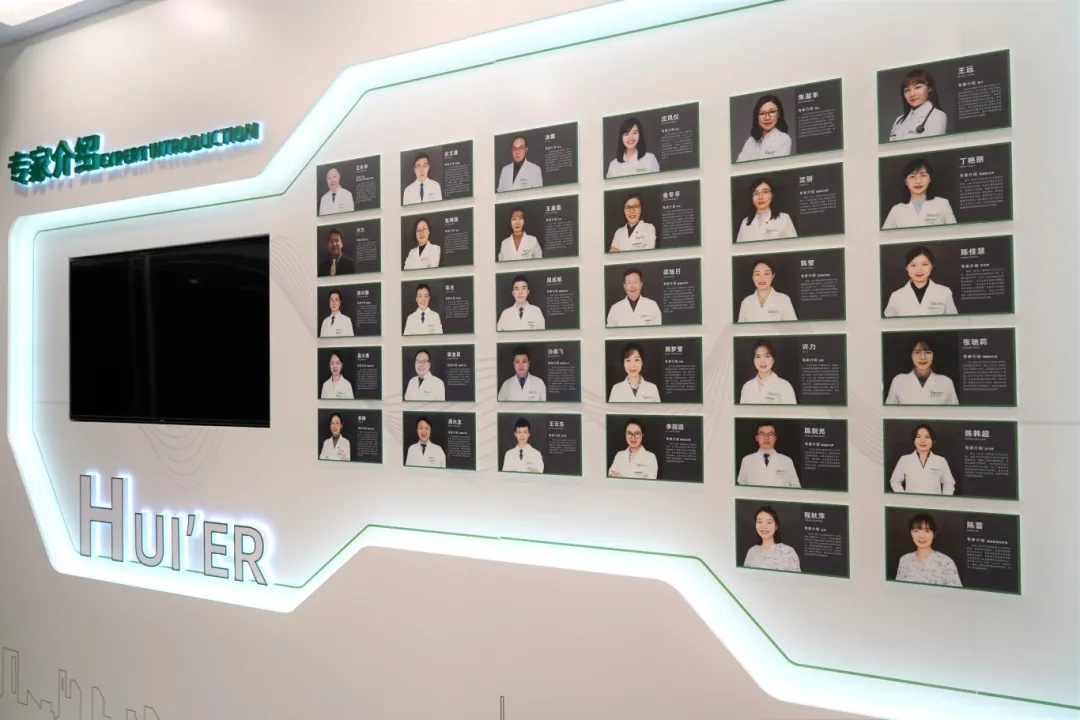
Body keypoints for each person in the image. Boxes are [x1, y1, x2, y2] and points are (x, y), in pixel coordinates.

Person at [882, 158, 957, 229]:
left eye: (923, 175)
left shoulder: (943, 204)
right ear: (905, 181)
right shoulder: (896, 210)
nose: (918, 181)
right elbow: (885, 236)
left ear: (930, 179)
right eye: (912, 176)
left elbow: (954, 233)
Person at [883, 245, 957, 317]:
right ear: (907, 268)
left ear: (932, 266)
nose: (919, 270)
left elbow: (953, 322)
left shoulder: (945, 292)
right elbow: (889, 323)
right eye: (913, 265)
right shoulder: (896, 296)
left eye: (924, 264)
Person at [895, 513, 962, 587]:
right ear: (910, 533)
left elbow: (955, 592)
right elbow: (898, 589)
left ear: (934, 534)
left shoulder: (946, 562)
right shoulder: (904, 560)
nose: (921, 536)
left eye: (927, 531)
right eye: (916, 531)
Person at [885, 338, 958, 405]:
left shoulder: (946, 382)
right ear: (910, 354)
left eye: (928, 352)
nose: (923, 357)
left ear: (934, 354)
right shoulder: (898, 381)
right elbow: (889, 412)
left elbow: (954, 413)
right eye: (917, 352)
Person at [890, 424, 956, 495]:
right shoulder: (904, 459)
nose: (922, 440)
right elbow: (895, 481)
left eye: (927, 437)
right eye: (918, 437)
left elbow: (949, 483)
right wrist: (904, 497)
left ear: (933, 441)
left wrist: (944, 498)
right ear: (914, 440)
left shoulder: (941, 461)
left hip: (934, 501)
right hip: (912, 501)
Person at [888, 69, 948, 142]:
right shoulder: (899, 120)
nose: (912, 94)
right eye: (907, 90)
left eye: (917, 87)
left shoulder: (937, 116)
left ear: (929, 88)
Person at [736, 423, 800, 487]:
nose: (766, 438)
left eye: (770, 434)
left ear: (775, 438)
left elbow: (795, 487)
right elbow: (741, 486)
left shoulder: (787, 461)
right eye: (762, 434)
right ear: (757, 438)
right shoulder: (747, 460)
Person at [736, 178, 797, 243]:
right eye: (756, 193)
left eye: (765, 192)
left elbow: (794, 245)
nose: (760, 197)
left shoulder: (784, 218)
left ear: (772, 195)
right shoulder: (745, 222)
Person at [742, 505, 801, 572]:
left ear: (776, 526)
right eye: (760, 522)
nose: (764, 526)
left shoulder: (788, 552)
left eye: (769, 522)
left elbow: (796, 578)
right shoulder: (752, 551)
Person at [736, 95, 792, 162]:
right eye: (762, 113)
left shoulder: (784, 139)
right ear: (757, 116)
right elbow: (740, 166)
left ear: (779, 114)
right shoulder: (750, 141)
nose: (767, 118)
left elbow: (777, 166)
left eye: (772, 112)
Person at [740, 339, 796, 405]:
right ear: (753, 360)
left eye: (767, 356)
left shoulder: (785, 386)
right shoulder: (747, 387)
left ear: (773, 359)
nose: (762, 361)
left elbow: (791, 411)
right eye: (758, 357)